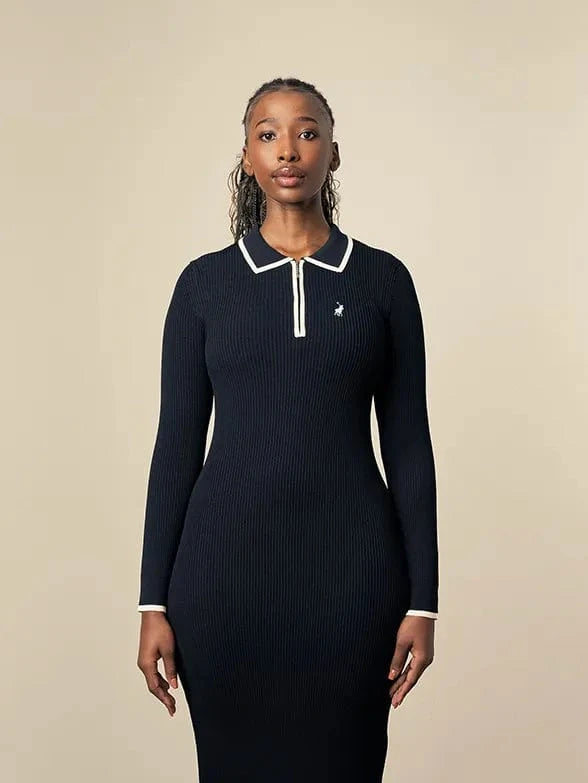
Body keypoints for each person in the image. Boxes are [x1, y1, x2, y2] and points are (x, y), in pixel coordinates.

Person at [136, 76, 439, 783]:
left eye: (306, 132)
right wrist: (153, 601)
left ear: (333, 151)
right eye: (268, 134)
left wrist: (423, 600)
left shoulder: (382, 282)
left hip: (354, 585)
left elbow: (409, 448)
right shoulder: (204, 286)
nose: (288, 150)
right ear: (247, 156)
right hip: (222, 586)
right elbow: (176, 447)